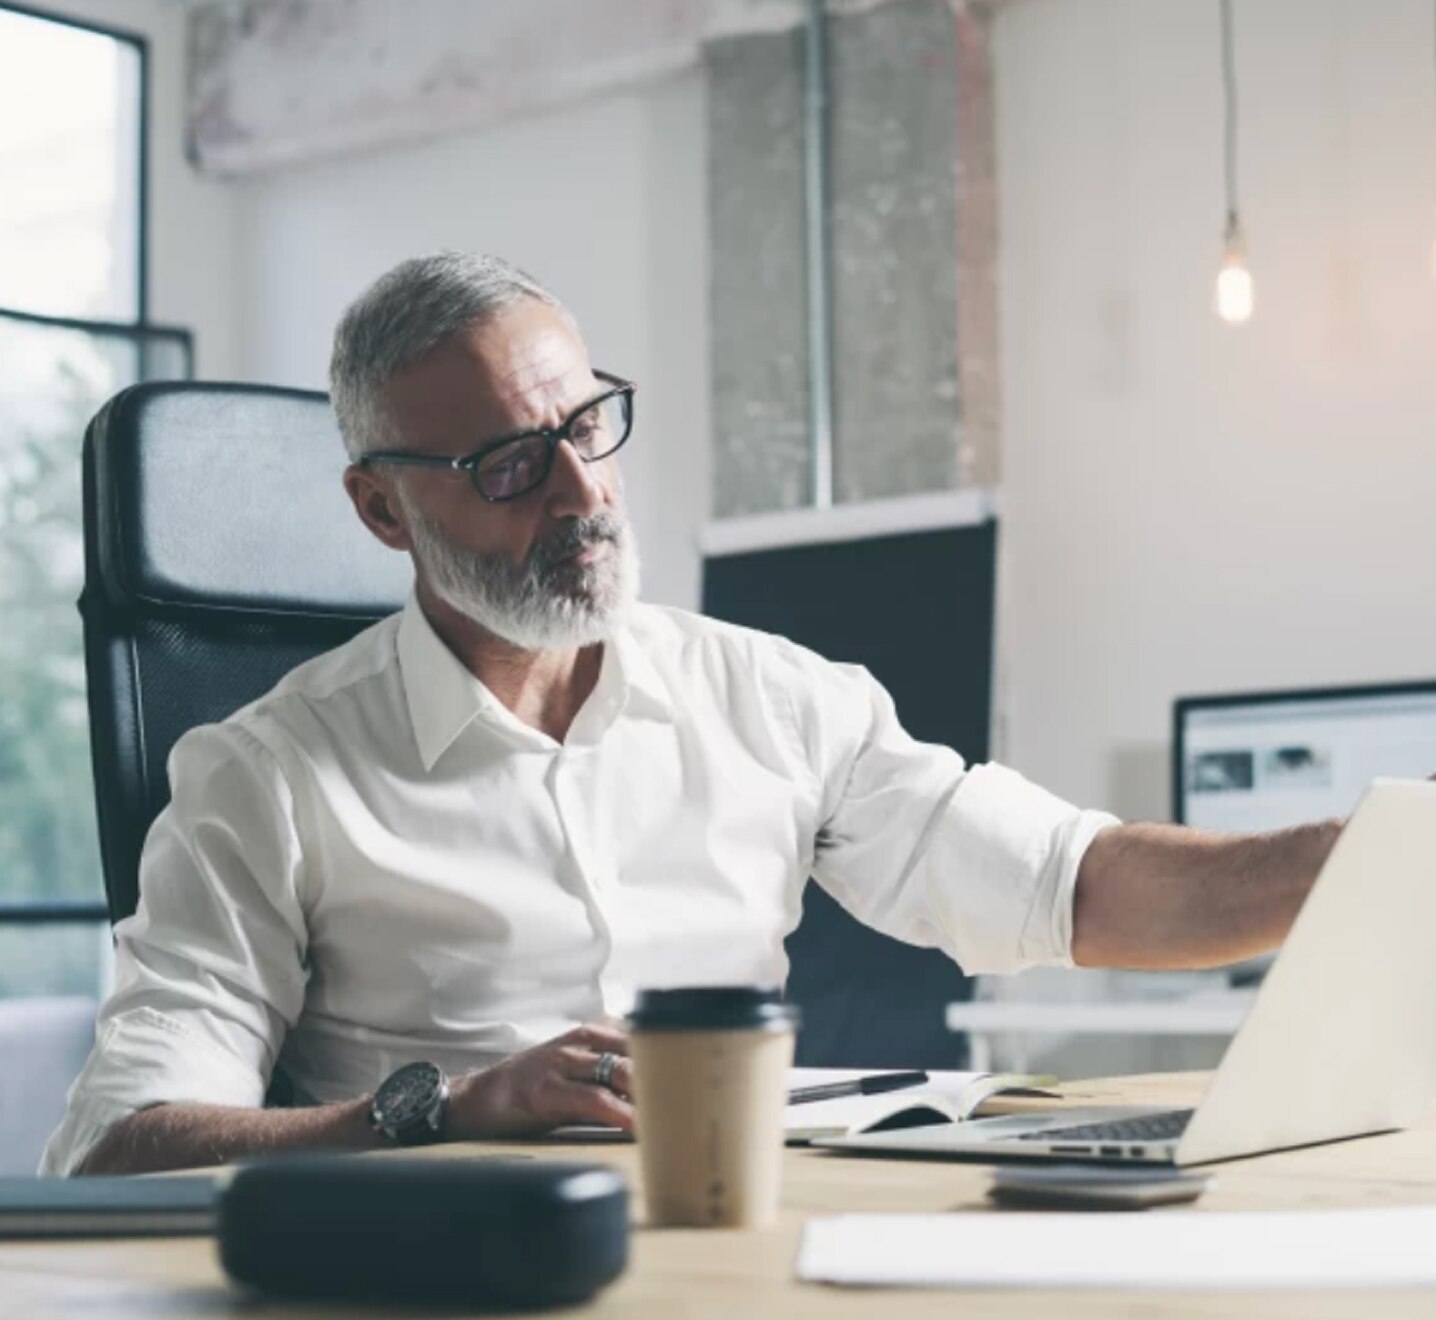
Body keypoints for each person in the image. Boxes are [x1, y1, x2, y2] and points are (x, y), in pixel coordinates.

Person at [42, 253, 1342, 1176]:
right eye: (508, 462)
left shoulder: (770, 697)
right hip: (452, 1282)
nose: (580, 491)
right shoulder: (265, 776)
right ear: (383, 511)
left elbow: (1076, 888)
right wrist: (442, 1113)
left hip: (744, 1255)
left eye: (588, 425)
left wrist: (1363, 860)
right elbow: (118, 1146)